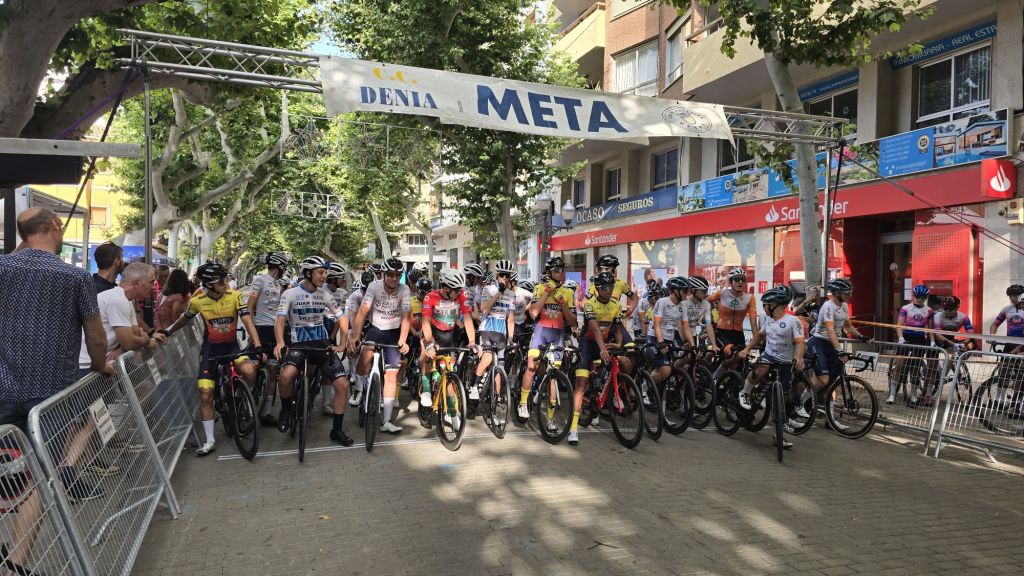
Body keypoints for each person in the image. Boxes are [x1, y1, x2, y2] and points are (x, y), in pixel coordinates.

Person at [0, 208, 114, 573]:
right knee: (40, 477)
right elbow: (96, 336)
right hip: (50, 395)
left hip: (3, 388)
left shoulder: (3, 268)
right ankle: (16, 563)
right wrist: (101, 364)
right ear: (55, 225)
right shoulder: (75, 277)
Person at [160, 262, 262, 456]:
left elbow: (247, 320)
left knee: (249, 372)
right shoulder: (197, 301)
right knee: (206, 394)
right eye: (221, 281)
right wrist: (168, 331)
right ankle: (210, 440)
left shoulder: (234, 296)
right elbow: (184, 319)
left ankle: (239, 397)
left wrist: (257, 344)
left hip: (232, 347)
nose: (226, 283)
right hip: (210, 351)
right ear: (210, 284)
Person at [273, 256, 352, 446]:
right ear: (308, 273)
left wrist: (342, 343)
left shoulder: (325, 295)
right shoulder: (290, 294)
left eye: (325, 273)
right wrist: (280, 342)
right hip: (298, 345)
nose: (325, 276)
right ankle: (286, 409)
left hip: (321, 345)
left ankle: (336, 430)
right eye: (321, 272)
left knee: (342, 385)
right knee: (285, 376)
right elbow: (280, 320)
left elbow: (342, 319)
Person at [737, 287, 805, 449]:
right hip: (769, 356)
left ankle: (778, 435)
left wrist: (798, 358)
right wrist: (746, 349)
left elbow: (800, 342)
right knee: (762, 369)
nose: (764, 308)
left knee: (781, 400)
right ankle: (745, 392)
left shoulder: (793, 321)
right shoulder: (769, 320)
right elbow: (760, 336)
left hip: (785, 363)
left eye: (765, 305)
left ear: (774, 305)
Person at [349, 257, 412, 434]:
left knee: (391, 375)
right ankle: (359, 388)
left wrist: (403, 339)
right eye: (390, 274)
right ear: (383, 274)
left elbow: (406, 316)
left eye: (397, 275)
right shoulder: (374, 286)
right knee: (366, 353)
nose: (394, 278)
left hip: (394, 332)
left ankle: (386, 421)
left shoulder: (404, 289)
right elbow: (363, 311)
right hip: (376, 329)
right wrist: (355, 336)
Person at [802, 278, 872, 430]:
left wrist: (861, 336)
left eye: (850, 292)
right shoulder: (828, 306)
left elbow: (848, 326)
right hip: (819, 343)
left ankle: (831, 421)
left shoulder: (844, 306)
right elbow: (830, 330)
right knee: (823, 380)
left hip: (832, 345)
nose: (850, 295)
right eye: (847, 293)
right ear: (836, 293)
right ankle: (800, 403)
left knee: (831, 385)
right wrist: (839, 350)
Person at [78, 262, 166, 376]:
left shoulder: (125, 299)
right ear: (136, 283)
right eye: (151, 282)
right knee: (144, 385)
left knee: (144, 385)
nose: (154, 286)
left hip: (98, 364)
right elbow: (129, 343)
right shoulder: (118, 300)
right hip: (87, 367)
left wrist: (124, 347)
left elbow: (135, 332)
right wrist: (146, 340)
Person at [518, 257, 577, 419]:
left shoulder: (568, 292)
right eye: (557, 270)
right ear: (549, 272)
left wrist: (563, 304)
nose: (561, 273)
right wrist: (546, 293)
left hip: (557, 335)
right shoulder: (539, 288)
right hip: (541, 333)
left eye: (563, 270)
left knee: (553, 375)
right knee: (532, 367)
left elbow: (573, 321)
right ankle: (523, 403)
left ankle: (550, 418)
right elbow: (533, 313)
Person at [569, 271, 623, 445]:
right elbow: (594, 328)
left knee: (605, 378)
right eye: (604, 287)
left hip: (603, 345)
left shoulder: (616, 304)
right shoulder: (590, 304)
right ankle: (573, 428)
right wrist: (603, 349)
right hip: (588, 345)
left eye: (611, 287)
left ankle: (601, 403)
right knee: (581, 385)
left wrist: (618, 344)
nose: (609, 290)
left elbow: (618, 327)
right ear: (597, 289)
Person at [420, 269, 478, 423]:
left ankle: (451, 413)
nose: (460, 292)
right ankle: (426, 390)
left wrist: (472, 342)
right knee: (425, 356)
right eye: (456, 290)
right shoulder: (430, 297)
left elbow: (467, 320)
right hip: (432, 332)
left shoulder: (462, 296)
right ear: (446, 288)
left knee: (449, 374)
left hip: (449, 335)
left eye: (460, 289)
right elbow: (425, 322)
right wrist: (429, 342)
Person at [247, 252, 289, 425]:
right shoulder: (260, 280)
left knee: (273, 371)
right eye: (284, 267)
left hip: (275, 330)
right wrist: (251, 331)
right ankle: (245, 404)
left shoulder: (279, 285)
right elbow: (249, 307)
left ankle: (266, 413)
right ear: (280, 266)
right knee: (252, 368)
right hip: (260, 328)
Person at [470, 259, 516, 405]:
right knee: (488, 358)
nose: (504, 278)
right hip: (487, 329)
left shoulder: (511, 295)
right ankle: (474, 386)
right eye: (502, 275)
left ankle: (496, 397)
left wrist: (511, 337)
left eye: (507, 276)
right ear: (497, 275)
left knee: (500, 367)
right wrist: (498, 294)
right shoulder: (488, 289)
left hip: (501, 332)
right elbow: (484, 309)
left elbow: (511, 318)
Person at [708, 268, 759, 380]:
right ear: (731, 281)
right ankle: (715, 377)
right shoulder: (722, 293)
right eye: (737, 279)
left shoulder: (749, 298)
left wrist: (756, 338)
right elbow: (706, 302)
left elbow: (753, 322)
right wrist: (709, 318)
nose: (740, 282)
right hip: (722, 332)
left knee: (738, 363)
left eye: (742, 279)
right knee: (732, 353)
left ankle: (726, 384)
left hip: (738, 334)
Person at [890, 284, 936, 408]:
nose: (919, 299)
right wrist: (900, 338)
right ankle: (892, 394)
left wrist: (932, 341)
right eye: (917, 297)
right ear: (913, 296)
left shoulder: (929, 311)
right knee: (899, 365)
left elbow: (930, 329)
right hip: (906, 338)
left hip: (919, 340)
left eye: (922, 297)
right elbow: (899, 325)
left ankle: (914, 395)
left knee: (915, 368)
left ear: (926, 297)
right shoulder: (905, 308)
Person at [646, 276, 689, 388]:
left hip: (669, 338)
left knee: (685, 356)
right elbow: (657, 324)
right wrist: (661, 342)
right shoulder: (662, 302)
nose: (687, 293)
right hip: (655, 338)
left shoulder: (682, 306)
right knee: (665, 370)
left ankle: (669, 383)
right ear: (676, 291)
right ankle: (644, 387)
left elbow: (683, 326)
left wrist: (688, 343)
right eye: (685, 291)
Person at [342, 271, 376, 407]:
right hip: (356, 323)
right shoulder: (355, 296)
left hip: (372, 324)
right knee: (353, 348)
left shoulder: (379, 293)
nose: (367, 292)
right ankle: (357, 387)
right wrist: (354, 336)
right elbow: (352, 318)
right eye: (364, 289)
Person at [321, 262, 349, 415]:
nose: (343, 281)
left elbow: (341, 318)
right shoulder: (321, 290)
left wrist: (333, 336)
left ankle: (326, 403)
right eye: (341, 278)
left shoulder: (342, 293)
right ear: (332, 278)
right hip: (319, 327)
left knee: (328, 368)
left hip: (332, 327)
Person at [989, 284, 1024, 353]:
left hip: (1022, 344)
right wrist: (992, 336)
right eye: (1010, 296)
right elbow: (994, 325)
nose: (1012, 298)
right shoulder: (1006, 309)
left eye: (1015, 295)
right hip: (1010, 343)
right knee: (1004, 360)